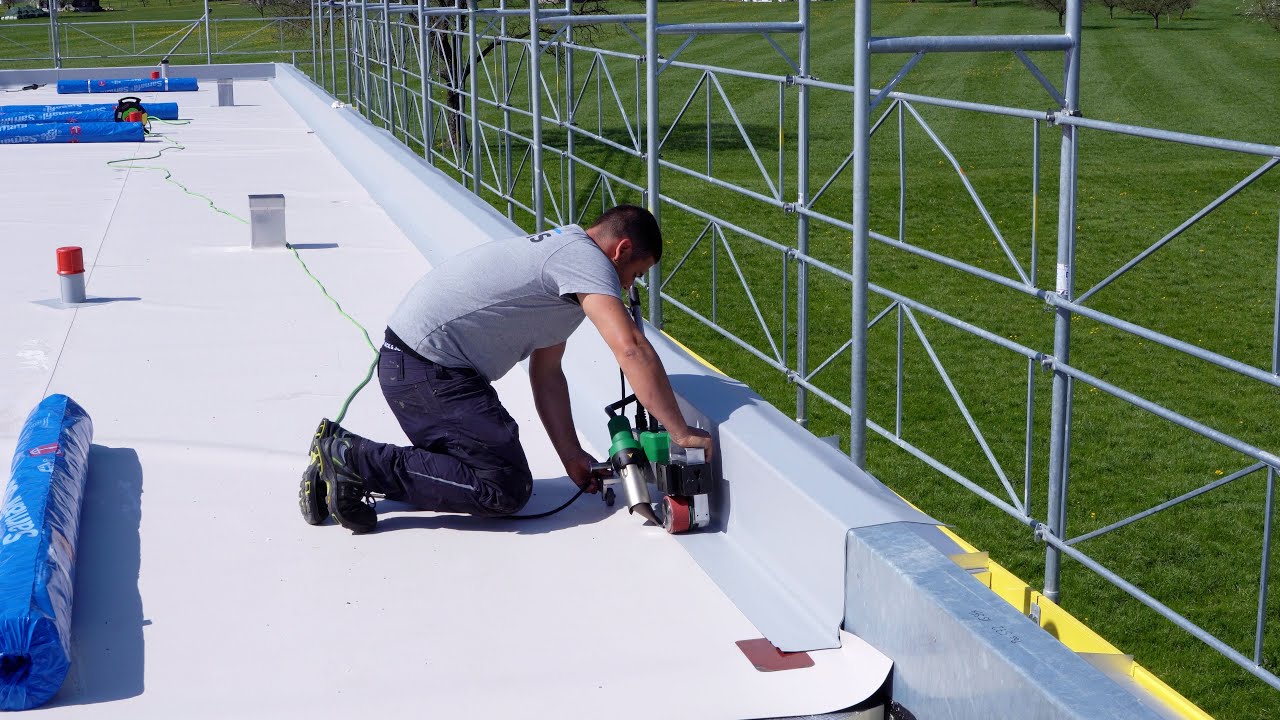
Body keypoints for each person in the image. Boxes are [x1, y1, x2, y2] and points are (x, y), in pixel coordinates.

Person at [299, 205, 715, 533]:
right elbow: (632, 350)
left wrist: (571, 455)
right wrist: (679, 430)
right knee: (503, 487)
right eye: (634, 275)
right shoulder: (585, 261)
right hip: (426, 370)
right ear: (620, 250)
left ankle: (341, 480)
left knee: (477, 470)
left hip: (419, 367)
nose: (625, 289)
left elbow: (547, 373)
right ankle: (351, 458)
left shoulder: (566, 265)